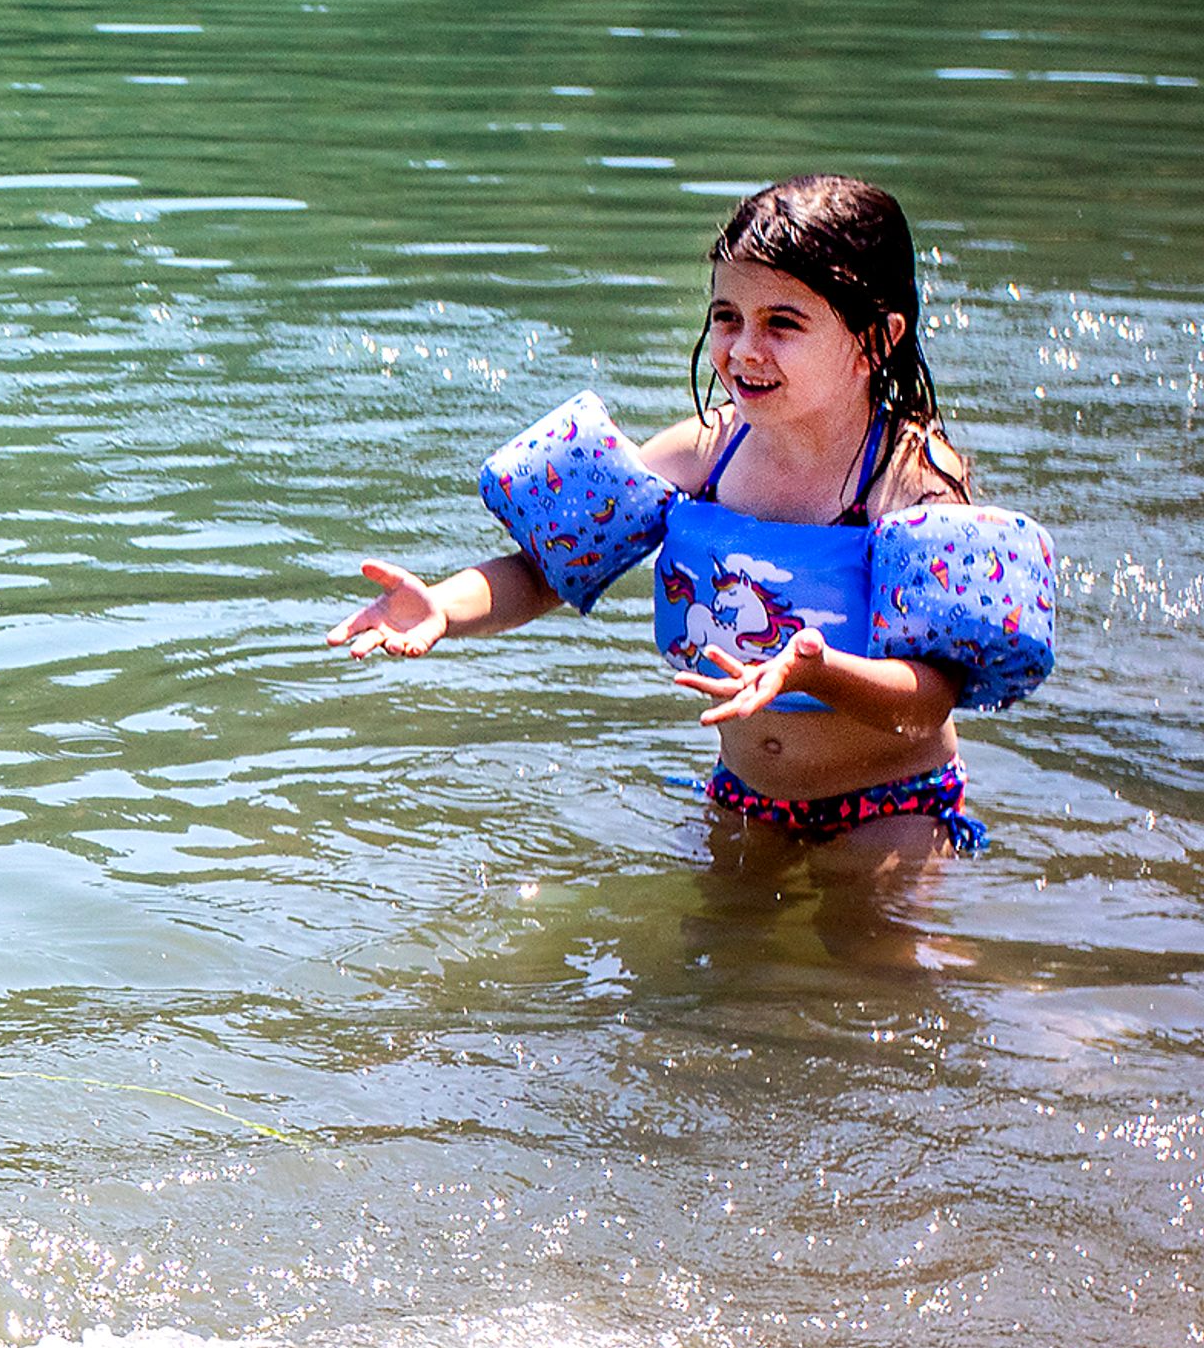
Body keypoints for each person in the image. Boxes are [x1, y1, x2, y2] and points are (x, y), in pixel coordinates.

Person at [329, 174, 1053, 863]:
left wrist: (820, 671)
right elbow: (546, 570)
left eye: (783, 323)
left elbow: (928, 701)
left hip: (891, 805)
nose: (742, 349)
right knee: (708, 970)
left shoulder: (909, 479)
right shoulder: (705, 451)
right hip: (744, 795)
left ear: (877, 338)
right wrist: (443, 610)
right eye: (726, 317)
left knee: (882, 976)